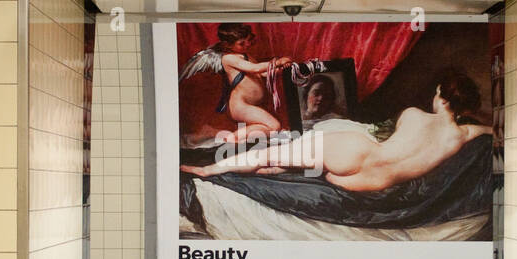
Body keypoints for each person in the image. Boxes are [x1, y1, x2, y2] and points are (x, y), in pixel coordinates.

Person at [182, 70, 488, 192]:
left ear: (440, 95)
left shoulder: (414, 114)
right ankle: (271, 169)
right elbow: (487, 129)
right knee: (302, 165)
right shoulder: (461, 136)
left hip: (356, 153)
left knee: (274, 153)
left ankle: (210, 169)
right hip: (369, 183)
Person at [178, 23, 291, 144]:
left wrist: (280, 70)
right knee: (274, 126)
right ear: (227, 45)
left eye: (247, 41)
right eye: (241, 43)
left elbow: (260, 74)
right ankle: (234, 137)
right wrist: (277, 62)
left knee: (271, 127)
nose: (247, 44)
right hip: (240, 106)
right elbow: (255, 68)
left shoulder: (246, 56)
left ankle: (213, 132)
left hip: (248, 105)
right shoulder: (228, 58)